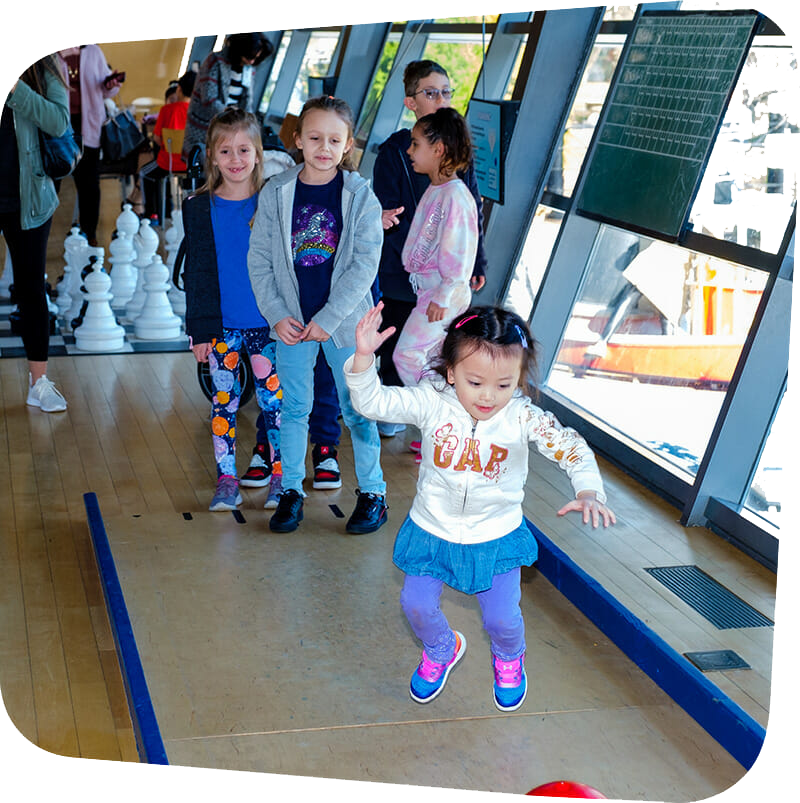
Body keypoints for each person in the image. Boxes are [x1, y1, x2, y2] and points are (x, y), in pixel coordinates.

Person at [345, 303, 616, 711]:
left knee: (502, 620)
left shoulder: (522, 417)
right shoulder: (431, 401)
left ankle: (510, 657)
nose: (488, 396)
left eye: (504, 385)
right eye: (474, 382)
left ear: (518, 381)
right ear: (451, 373)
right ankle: (441, 648)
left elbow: (572, 448)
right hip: (432, 529)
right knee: (415, 605)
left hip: (495, 535)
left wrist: (589, 491)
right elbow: (374, 404)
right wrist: (364, 358)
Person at [247, 96, 387, 535]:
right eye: (314, 138)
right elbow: (260, 261)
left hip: (345, 324)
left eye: (334, 139)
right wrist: (275, 314)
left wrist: (328, 318)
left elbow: (365, 265)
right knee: (294, 410)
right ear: (297, 140)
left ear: (347, 146)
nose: (323, 147)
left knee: (358, 409)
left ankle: (373, 493)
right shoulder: (276, 192)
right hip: (291, 323)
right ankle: (290, 491)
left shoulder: (361, 196)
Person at [372, 60, 487, 436]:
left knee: (412, 352)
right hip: (411, 279)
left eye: (446, 92)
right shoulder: (399, 155)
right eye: (431, 92)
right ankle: (434, 415)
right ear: (411, 102)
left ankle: (435, 413)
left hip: (439, 287)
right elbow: (398, 214)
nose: (440, 99)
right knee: (408, 349)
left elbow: (462, 238)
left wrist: (458, 279)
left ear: (439, 151)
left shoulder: (454, 182)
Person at [182, 108, 283, 511]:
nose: (236, 160)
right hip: (222, 328)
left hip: (268, 326)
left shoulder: (271, 202)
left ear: (258, 154)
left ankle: (281, 476)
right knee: (223, 402)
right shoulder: (198, 207)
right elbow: (198, 272)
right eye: (226, 151)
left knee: (274, 405)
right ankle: (227, 478)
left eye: (244, 150)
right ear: (212, 156)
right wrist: (200, 331)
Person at [391, 107, 478, 396]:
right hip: (431, 293)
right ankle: (444, 422)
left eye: (416, 144)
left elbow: (460, 255)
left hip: (443, 295)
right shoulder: (438, 189)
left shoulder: (455, 195)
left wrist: (443, 295)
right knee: (432, 361)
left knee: (406, 355)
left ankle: (440, 412)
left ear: (438, 149)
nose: (409, 150)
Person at [1, 54, 71, 412]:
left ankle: (38, 383)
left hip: (27, 197)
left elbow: (59, 122)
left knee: (31, 288)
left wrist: (16, 90)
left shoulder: (43, 67)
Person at [57, 45, 123, 246]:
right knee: (54, 181)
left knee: (89, 185)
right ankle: (43, 232)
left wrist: (111, 84)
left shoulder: (93, 51)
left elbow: (106, 89)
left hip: (89, 126)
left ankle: (89, 233)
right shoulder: (54, 55)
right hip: (60, 126)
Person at [182, 33, 273, 165]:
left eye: (256, 58)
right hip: (203, 128)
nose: (252, 61)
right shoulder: (215, 61)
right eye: (250, 57)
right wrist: (232, 113)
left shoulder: (249, 69)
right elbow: (208, 100)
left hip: (231, 128)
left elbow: (248, 102)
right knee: (203, 168)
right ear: (239, 50)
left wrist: (248, 122)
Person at [141, 71, 196, 222]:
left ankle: (152, 215)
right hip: (192, 164)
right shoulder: (197, 112)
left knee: (144, 173)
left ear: (178, 88)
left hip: (168, 164)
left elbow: (158, 139)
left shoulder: (166, 110)